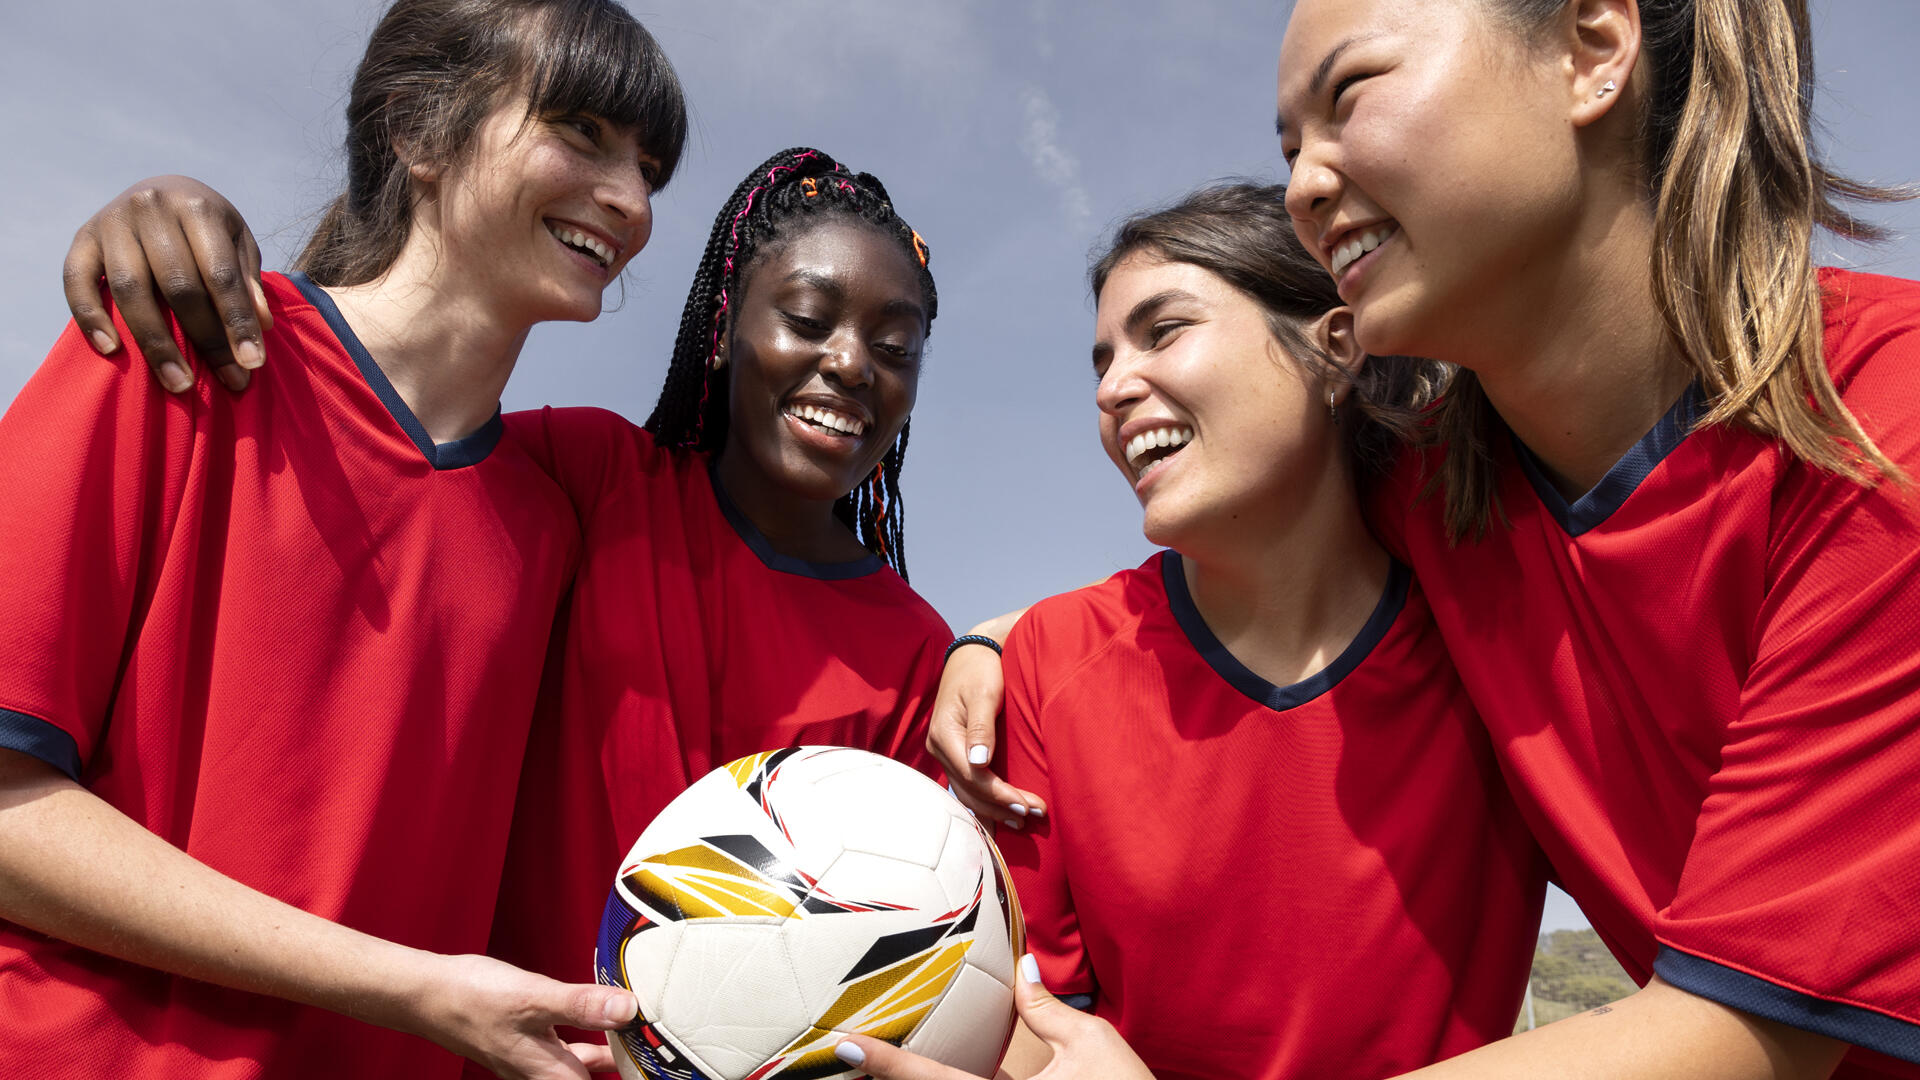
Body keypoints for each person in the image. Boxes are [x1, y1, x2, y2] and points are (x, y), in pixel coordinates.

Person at [900, 1, 1920, 1078]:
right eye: (1292, 148)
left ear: (1593, 51)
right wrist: (1005, 639)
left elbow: (1744, 1036)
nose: (1301, 187)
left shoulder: (1878, 431)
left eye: (1350, 96)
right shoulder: (1449, 487)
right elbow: (1265, 552)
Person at [57, 146, 955, 1070]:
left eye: (896, 349)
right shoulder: (588, 475)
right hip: (472, 1048)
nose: (851, 364)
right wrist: (172, 211)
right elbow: (385, 441)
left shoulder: (923, 652)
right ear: (724, 328)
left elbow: (907, 946)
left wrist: (997, 645)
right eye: (808, 320)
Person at [0, 1, 688, 1078]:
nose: (631, 201)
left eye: (652, 166)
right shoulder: (176, 353)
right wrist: (408, 985)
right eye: (584, 133)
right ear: (417, 128)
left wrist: (992, 645)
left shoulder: (545, 527)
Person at [916, 182, 1551, 1080]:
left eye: (1163, 331)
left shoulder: (1495, 628)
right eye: (1101, 361)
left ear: (1335, 350)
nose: (1113, 388)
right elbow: (1031, 1020)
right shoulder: (1049, 665)